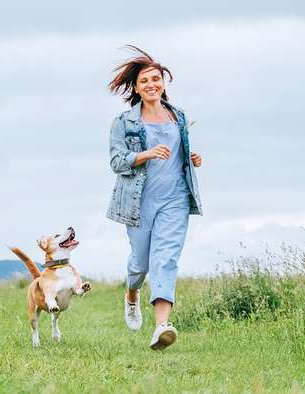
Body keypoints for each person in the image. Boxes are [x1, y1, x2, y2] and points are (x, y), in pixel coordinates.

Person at [105, 45, 203, 350]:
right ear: (136, 87)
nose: (152, 85)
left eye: (156, 79)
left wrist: (192, 158)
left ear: (164, 83)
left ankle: (162, 326)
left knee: (166, 259)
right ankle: (132, 293)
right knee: (141, 263)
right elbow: (117, 162)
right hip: (138, 202)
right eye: (145, 81)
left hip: (175, 199)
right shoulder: (124, 122)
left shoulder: (179, 117)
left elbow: (179, 154)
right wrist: (145, 154)